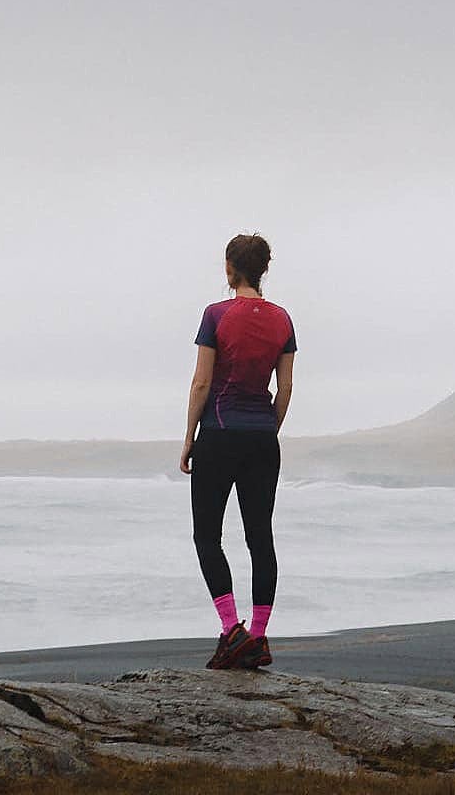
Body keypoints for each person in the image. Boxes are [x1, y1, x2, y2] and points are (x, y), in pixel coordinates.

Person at [180, 232, 295, 670]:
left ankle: (232, 631)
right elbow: (284, 388)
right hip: (263, 439)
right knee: (259, 537)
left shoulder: (215, 315)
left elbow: (202, 382)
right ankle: (260, 638)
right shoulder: (283, 319)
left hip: (219, 434)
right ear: (263, 269)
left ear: (230, 268)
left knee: (208, 536)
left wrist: (190, 435)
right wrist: (269, 428)